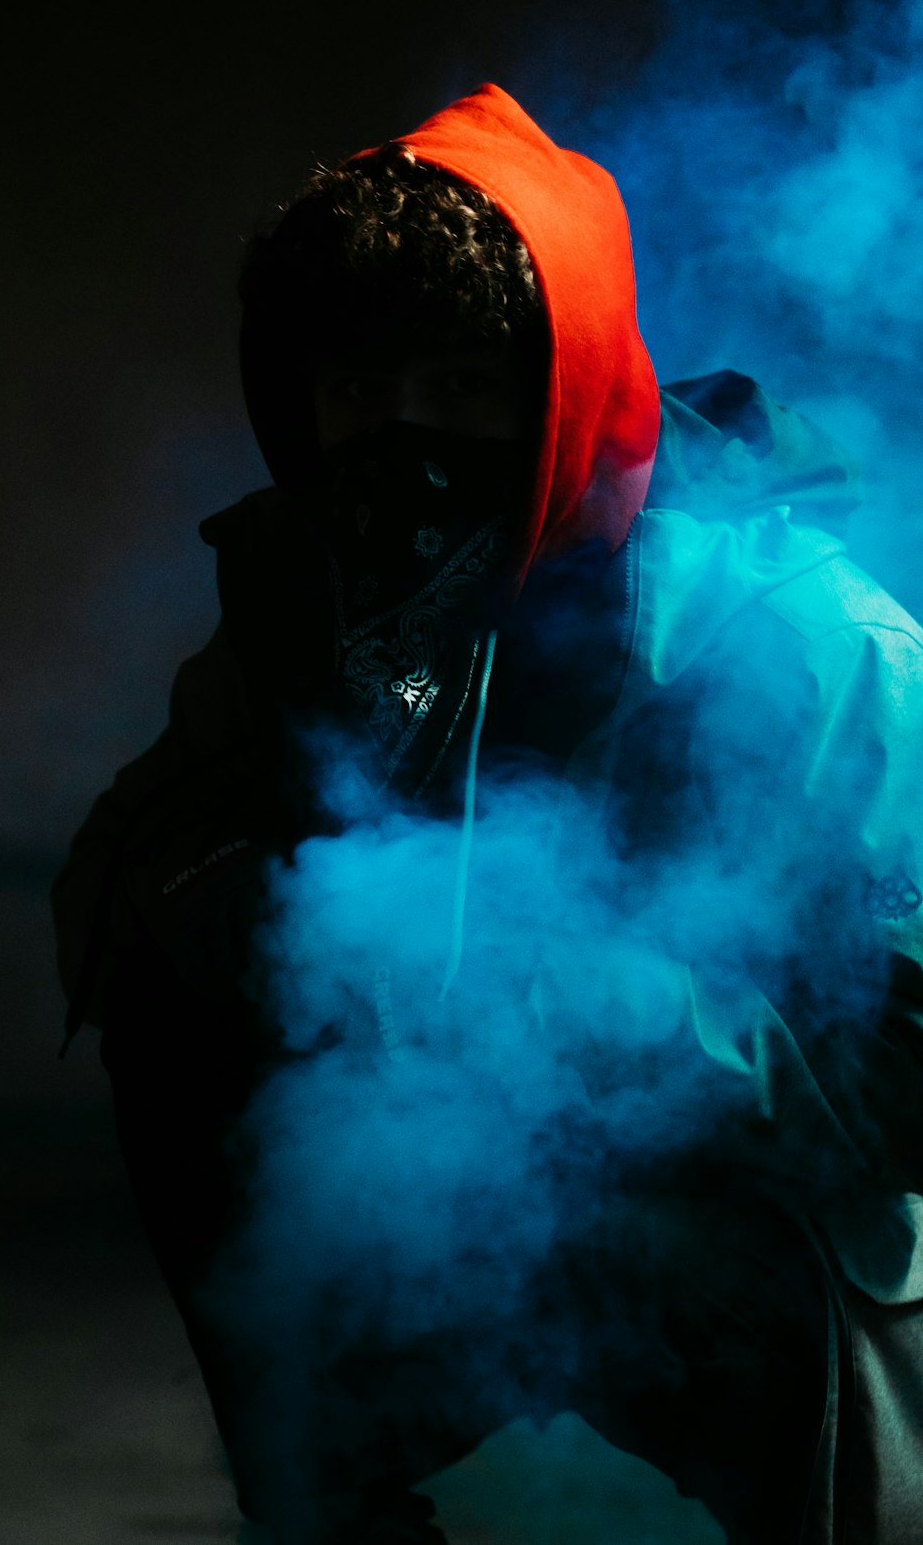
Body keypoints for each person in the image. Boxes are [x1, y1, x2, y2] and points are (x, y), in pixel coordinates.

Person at [51, 84, 923, 1544]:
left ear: (570, 386)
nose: (402, 442)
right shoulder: (324, 602)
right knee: (183, 1021)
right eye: (357, 391)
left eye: (462, 388)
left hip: (763, 1255)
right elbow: (133, 865)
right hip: (461, 1215)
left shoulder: (799, 642)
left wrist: (617, 1016)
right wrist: (261, 915)